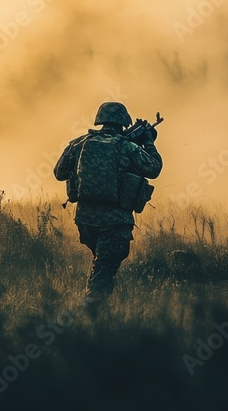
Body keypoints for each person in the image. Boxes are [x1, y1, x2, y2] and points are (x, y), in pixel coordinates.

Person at [54, 102, 163, 312]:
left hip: (85, 221)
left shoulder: (79, 143)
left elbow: (59, 173)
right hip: (115, 222)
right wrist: (148, 142)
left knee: (101, 264)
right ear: (124, 122)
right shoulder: (126, 146)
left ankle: (97, 312)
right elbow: (154, 168)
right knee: (103, 271)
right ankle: (92, 313)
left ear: (100, 119)